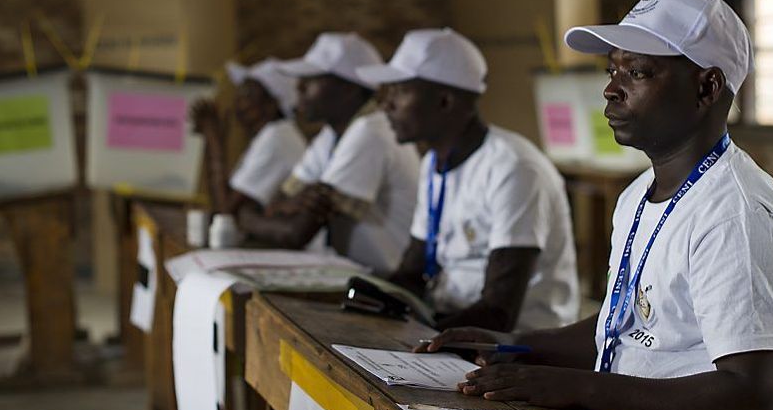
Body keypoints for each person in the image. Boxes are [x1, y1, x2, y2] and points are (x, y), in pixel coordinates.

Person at [421, 0, 773, 410]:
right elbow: (625, 326)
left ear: (707, 87)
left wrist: (580, 388)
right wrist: (515, 345)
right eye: (612, 70)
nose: (611, 88)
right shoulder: (636, 195)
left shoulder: (737, 214)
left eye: (637, 72)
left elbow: (750, 398)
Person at [356, 28, 579, 332]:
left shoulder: (513, 168)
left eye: (400, 91)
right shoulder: (434, 163)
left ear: (445, 101)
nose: (387, 105)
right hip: (451, 321)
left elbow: (498, 312)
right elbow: (412, 271)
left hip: (518, 346)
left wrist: (423, 334)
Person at [237, 32, 420, 275]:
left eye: (311, 80)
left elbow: (295, 233)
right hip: (356, 276)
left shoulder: (371, 131)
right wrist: (287, 205)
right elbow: (279, 202)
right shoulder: (330, 135)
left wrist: (245, 218)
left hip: (386, 284)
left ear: (347, 89)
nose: (299, 87)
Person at [192, 58, 306, 224]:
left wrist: (214, 140)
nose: (238, 102)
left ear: (271, 104)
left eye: (247, 95)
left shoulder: (276, 138)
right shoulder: (271, 135)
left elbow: (226, 213)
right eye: (238, 94)